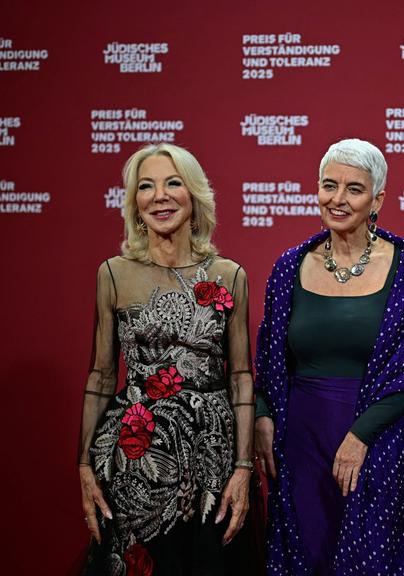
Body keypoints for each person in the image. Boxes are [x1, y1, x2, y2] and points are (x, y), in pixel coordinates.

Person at [254, 138, 404, 575]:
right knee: (308, 557)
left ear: (377, 200)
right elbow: (268, 358)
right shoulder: (289, 266)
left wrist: (361, 435)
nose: (338, 199)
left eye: (354, 189)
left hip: (380, 442)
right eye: (329, 185)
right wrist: (263, 416)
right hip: (301, 447)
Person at [77, 143, 258, 575]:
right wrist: (84, 465)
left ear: (194, 196)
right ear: (135, 203)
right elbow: (101, 375)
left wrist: (243, 468)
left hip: (211, 459)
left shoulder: (229, 275)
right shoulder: (114, 274)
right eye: (146, 186)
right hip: (135, 456)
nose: (159, 196)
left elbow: (241, 377)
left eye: (173, 183)